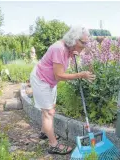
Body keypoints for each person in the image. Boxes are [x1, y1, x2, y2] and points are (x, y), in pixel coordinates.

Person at [30, 26, 96, 155]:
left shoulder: (68, 48)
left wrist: (72, 53)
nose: (85, 45)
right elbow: (59, 75)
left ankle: (45, 133)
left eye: (86, 42)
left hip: (49, 81)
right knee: (48, 112)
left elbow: (60, 67)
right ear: (73, 40)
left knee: (51, 109)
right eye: (83, 42)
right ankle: (53, 145)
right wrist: (80, 75)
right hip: (41, 79)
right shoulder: (59, 49)